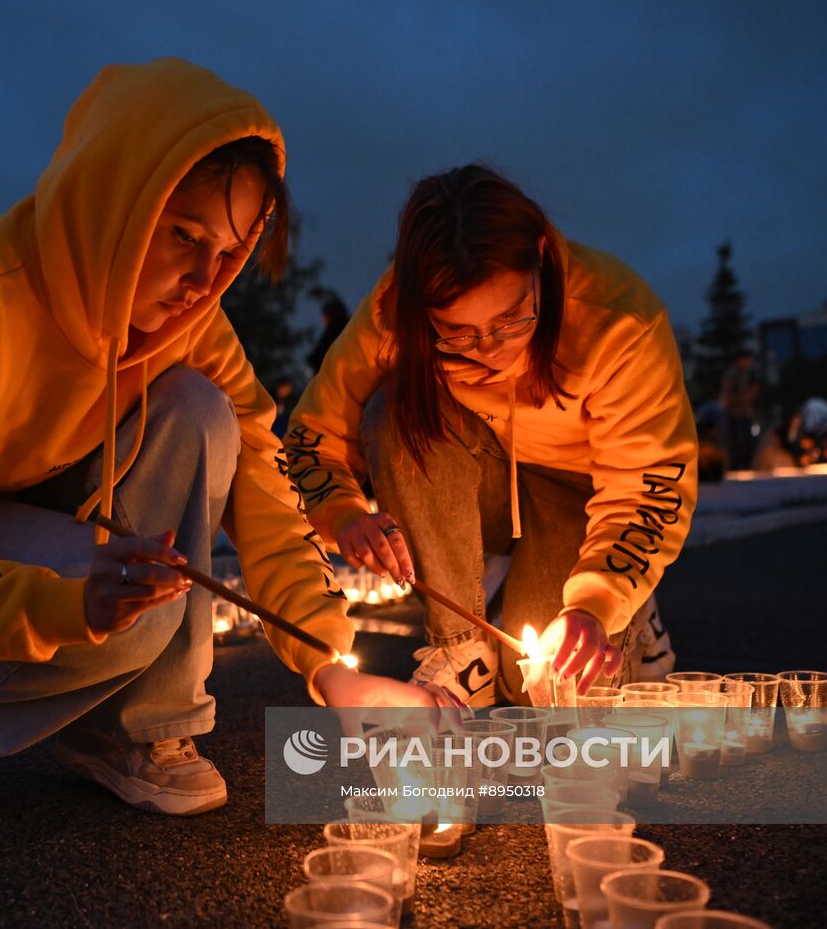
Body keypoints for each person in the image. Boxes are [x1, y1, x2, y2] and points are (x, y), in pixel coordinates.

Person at [0, 59, 452, 828]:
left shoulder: (198, 332)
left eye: (230, 252)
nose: (204, 277)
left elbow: (269, 501)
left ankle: (134, 726)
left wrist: (335, 669)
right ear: (113, 204)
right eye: (182, 236)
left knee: (204, 410)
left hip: (35, 501)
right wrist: (71, 604)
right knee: (137, 619)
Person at [286, 164, 695, 707]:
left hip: (582, 495)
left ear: (542, 258)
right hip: (476, 475)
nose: (488, 347)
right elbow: (316, 429)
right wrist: (341, 512)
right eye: (457, 332)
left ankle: (634, 625)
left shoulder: (618, 321)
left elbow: (648, 488)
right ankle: (461, 650)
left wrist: (596, 605)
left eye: (511, 319)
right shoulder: (395, 312)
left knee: (545, 690)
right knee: (395, 407)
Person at [719, 349, 758, 470]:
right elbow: (727, 396)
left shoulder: (747, 374)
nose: (748, 363)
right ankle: (736, 468)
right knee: (736, 444)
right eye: (747, 360)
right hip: (734, 415)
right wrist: (744, 396)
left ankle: (746, 467)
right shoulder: (732, 374)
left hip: (746, 414)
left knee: (748, 443)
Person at [307, 294, 351, 374]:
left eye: (324, 317)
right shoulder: (351, 327)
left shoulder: (333, 333)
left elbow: (317, 357)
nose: (323, 321)